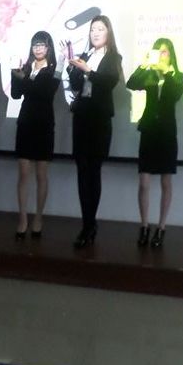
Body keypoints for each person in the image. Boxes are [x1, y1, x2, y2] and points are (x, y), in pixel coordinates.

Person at [64, 15, 122, 248]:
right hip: (81, 119)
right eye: (92, 30)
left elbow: (108, 82)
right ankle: (87, 223)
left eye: (100, 29)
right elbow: (76, 85)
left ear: (108, 32)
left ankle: (90, 224)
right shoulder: (85, 55)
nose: (95, 33)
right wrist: (72, 67)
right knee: (82, 171)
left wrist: (87, 70)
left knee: (93, 171)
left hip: (99, 121)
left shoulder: (113, 57)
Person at [126, 38, 183, 248]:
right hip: (149, 132)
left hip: (167, 134)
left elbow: (176, 93)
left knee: (166, 182)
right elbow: (131, 84)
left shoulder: (177, 76)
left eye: (165, 52)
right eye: (158, 51)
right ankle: (144, 225)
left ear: (171, 55)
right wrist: (143, 65)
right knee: (144, 182)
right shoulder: (149, 75)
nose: (161, 55)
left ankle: (161, 227)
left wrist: (167, 71)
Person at [10, 30, 62, 239]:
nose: (38, 48)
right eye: (35, 45)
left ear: (49, 47)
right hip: (25, 123)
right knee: (23, 173)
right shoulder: (26, 67)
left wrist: (24, 79)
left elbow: (45, 93)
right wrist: (15, 73)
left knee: (41, 174)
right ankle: (23, 218)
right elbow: (16, 94)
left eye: (42, 45)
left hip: (44, 124)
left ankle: (38, 217)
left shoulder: (55, 68)